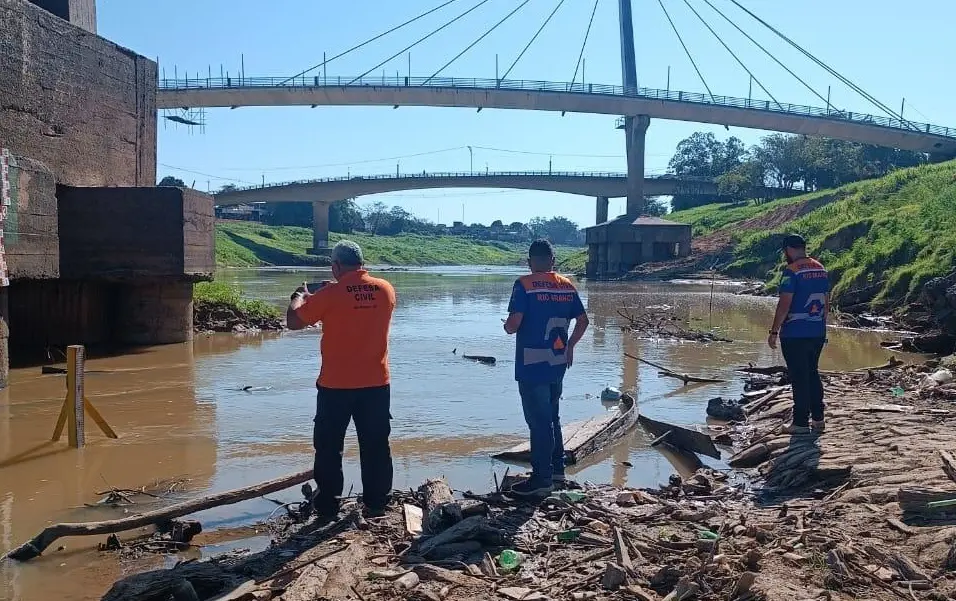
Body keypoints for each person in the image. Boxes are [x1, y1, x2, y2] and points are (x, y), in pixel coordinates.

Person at [287, 240, 397, 517]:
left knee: (328, 447)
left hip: (336, 385)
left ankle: (327, 505)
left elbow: (294, 322)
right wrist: (335, 290)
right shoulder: (385, 289)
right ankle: (376, 503)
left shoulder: (330, 296)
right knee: (375, 446)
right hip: (376, 383)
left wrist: (299, 296)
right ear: (361, 263)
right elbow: (355, 297)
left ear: (335, 266)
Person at [504, 239, 589, 497]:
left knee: (538, 421)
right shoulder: (567, 285)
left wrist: (507, 327)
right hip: (557, 362)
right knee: (552, 416)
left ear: (530, 262)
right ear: (553, 260)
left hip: (532, 363)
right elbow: (583, 321)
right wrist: (571, 345)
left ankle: (541, 480)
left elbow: (515, 323)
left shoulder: (524, 285)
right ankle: (557, 470)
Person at [768, 234, 830, 435]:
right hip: (816, 330)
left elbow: (784, 303)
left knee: (799, 377)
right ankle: (818, 419)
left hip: (795, 332)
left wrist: (774, 331)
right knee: (813, 373)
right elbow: (827, 301)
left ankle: (800, 422)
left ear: (788, 249)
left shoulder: (791, 271)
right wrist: (822, 326)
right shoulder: (820, 268)